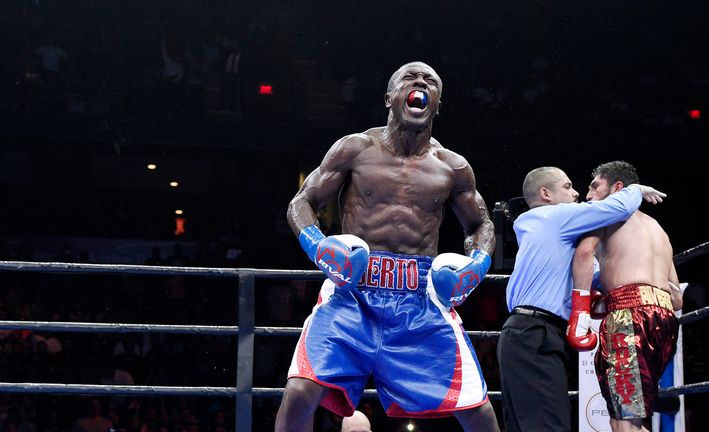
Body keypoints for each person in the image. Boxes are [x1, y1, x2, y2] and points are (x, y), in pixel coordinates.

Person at [276, 61, 499, 432]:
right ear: (389, 98)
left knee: (478, 411)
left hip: (420, 300)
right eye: (410, 78)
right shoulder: (356, 148)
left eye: (430, 80)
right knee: (300, 391)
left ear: (437, 104)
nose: (420, 82)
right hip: (352, 292)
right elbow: (302, 202)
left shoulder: (453, 167)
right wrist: (318, 246)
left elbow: (482, 223)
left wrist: (477, 263)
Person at [497, 166, 666, 432]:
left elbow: (595, 275)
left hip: (529, 334)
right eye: (567, 187)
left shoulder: (554, 233)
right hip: (534, 334)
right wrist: (636, 189)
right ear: (546, 194)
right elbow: (615, 208)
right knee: (549, 426)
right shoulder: (555, 216)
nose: (577, 193)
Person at [570, 161, 682, 432]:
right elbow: (677, 298)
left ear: (618, 188)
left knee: (624, 421)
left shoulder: (606, 215)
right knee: (628, 415)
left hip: (628, 317)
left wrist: (581, 310)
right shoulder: (658, 229)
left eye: (594, 186)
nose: (587, 195)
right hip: (664, 321)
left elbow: (584, 254)